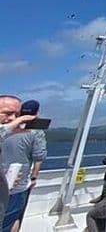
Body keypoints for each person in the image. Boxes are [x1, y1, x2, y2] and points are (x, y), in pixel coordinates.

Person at [1, 99, 46, 232]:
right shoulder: (35, 132)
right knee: (13, 219)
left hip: (7, 183)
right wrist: (34, 177)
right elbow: (39, 156)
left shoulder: (7, 130)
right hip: (18, 186)